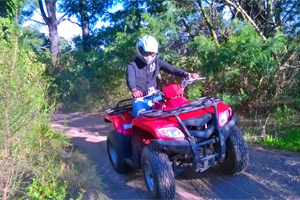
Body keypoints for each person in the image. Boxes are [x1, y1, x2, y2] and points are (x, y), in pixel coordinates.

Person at [126, 35, 199, 117]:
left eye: (152, 53)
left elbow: (172, 69)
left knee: (172, 111)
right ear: (140, 49)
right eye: (146, 53)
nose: (149, 56)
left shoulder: (157, 61)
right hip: (140, 99)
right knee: (141, 117)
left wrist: (186, 74)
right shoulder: (132, 65)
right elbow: (130, 79)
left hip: (156, 96)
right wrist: (134, 90)